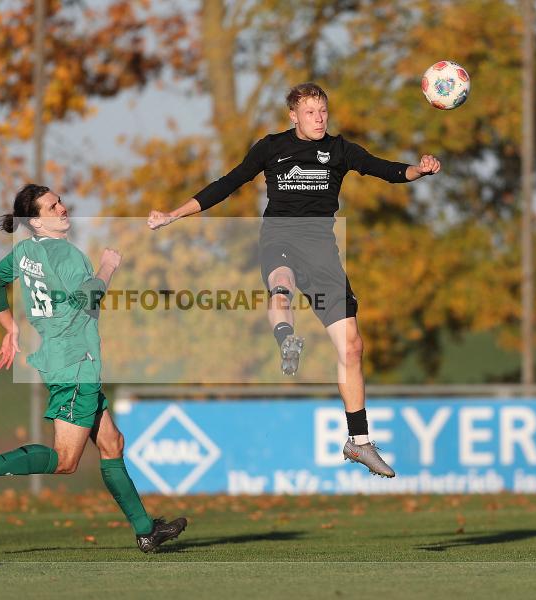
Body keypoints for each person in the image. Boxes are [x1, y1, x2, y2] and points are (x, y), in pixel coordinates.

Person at [147, 82, 443, 478]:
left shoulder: (340, 150)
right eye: (310, 112)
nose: (319, 119)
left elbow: (386, 170)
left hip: (321, 251)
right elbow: (227, 184)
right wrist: (172, 214)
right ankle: (287, 339)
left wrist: (418, 170)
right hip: (280, 236)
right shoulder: (271, 147)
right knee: (281, 284)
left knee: (352, 348)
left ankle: (359, 442)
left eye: (323, 111)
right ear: (293, 116)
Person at [0, 183, 187, 553]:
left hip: (62, 359)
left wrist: (10, 327)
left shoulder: (25, 252)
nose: (62, 208)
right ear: (36, 222)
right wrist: (108, 267)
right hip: (76, 364)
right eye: (52, 207)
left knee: (112, 443)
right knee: (65, 461)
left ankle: (146, 531)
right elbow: (87, 299)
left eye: (60, 202)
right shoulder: (66, 254)